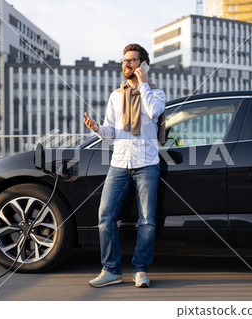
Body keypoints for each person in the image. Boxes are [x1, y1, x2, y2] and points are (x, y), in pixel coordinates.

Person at [84, 43, 166, 288]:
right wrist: (97, 129)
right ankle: (111, 270)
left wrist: (143, 83)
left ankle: (140, 270)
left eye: (132, 60)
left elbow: (154, 111)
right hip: (119, 163)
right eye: (124, 60)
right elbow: (111, 131)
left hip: (147, 163)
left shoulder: (156, 93)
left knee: (147, 220)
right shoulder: (115, 96)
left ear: (143, 64)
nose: (126, 64)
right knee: (105, 215)